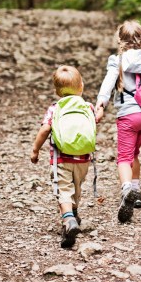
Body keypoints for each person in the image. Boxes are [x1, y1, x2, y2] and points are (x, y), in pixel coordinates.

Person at [95, 20, 141, 223]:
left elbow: (109, 82)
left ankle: (126, 191)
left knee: (124, 158)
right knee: (134, 153)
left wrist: (101, 104)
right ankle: (136, 193)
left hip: (128, 115)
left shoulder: (117, 61)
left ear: (120, 40)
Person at [31, 65, 96, 249]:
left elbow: (45, 129)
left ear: (57, 91)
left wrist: (35, 150)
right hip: (83, 159)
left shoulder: (55, 108)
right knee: (76, 186)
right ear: (81, 87)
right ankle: (74, 214)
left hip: (61, 159)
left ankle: (68, 220)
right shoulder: (88, 107)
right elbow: (95, 120)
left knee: (63, 189)